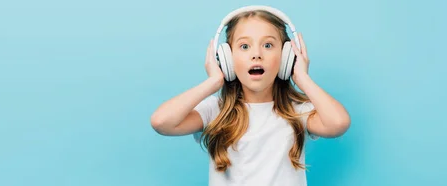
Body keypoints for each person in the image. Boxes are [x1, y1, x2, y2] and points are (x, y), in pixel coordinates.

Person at [150, 6, 351, 186]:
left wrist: (301, 77)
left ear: (286, 57)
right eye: (244, 46)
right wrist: (213, 82)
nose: (256, 54)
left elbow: (338, 123)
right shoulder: (215, 110)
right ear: (227, 58)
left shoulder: (297, 111)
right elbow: (161, 122)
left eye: (268, 45)